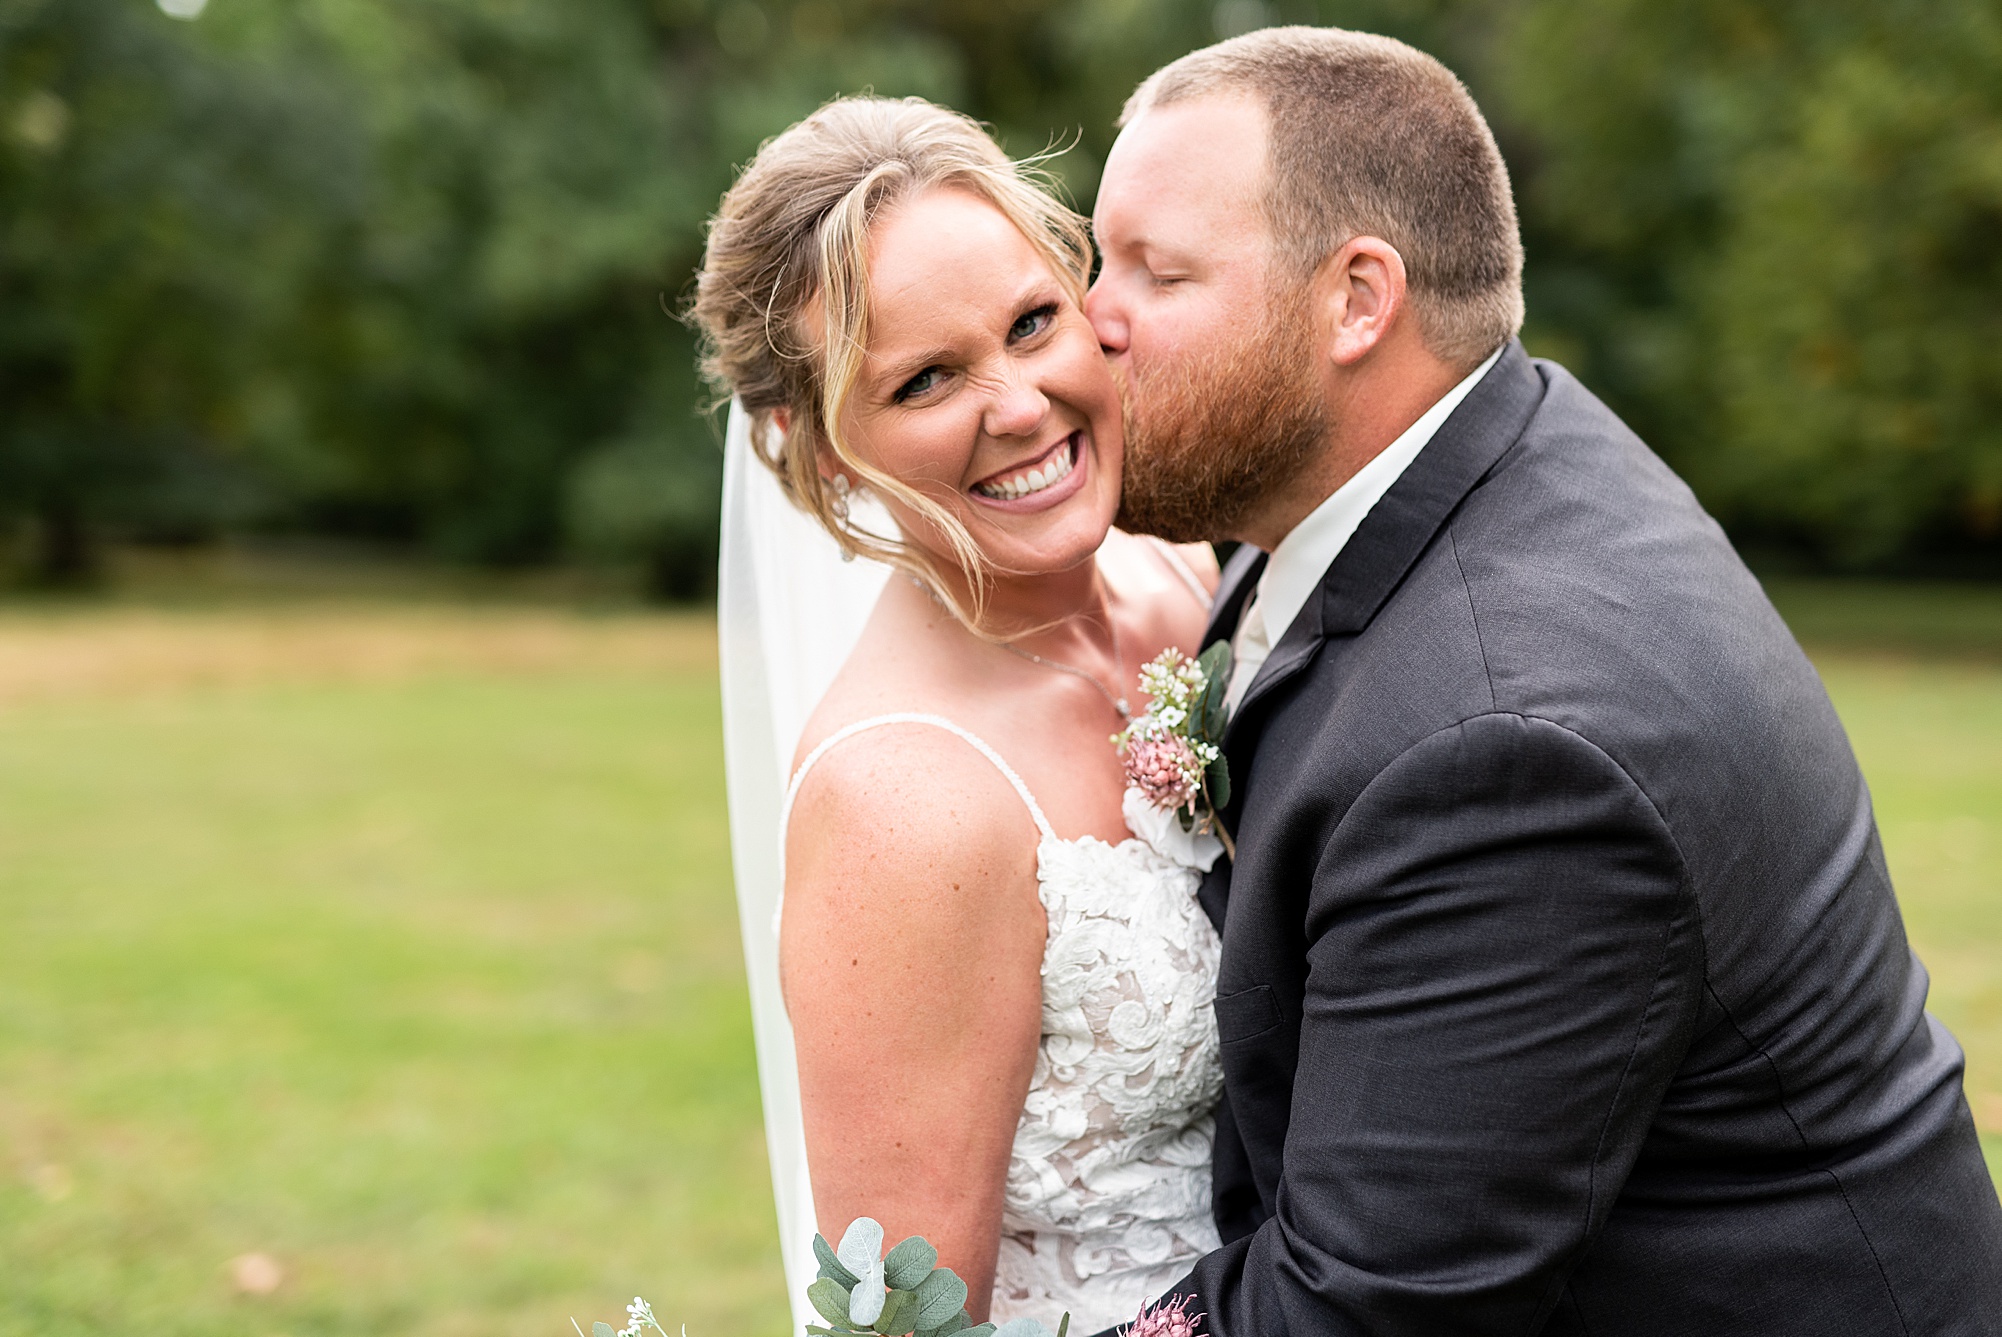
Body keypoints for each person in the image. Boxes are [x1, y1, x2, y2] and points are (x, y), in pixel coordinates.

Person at [1085, 26, 2002, 1336]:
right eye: (1096, 259)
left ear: (1356, 300)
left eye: (1156, 272)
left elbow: (1354, 1310)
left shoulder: (1508, 749)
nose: (1089, 321)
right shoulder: (1492, 451)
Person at [695, 98, 1230, 1334]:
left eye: (1032, 322)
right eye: (925, 379)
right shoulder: (899, 799)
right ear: (820, 450)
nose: (1021, 404)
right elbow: (912, 1318)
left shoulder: (1193, 580)